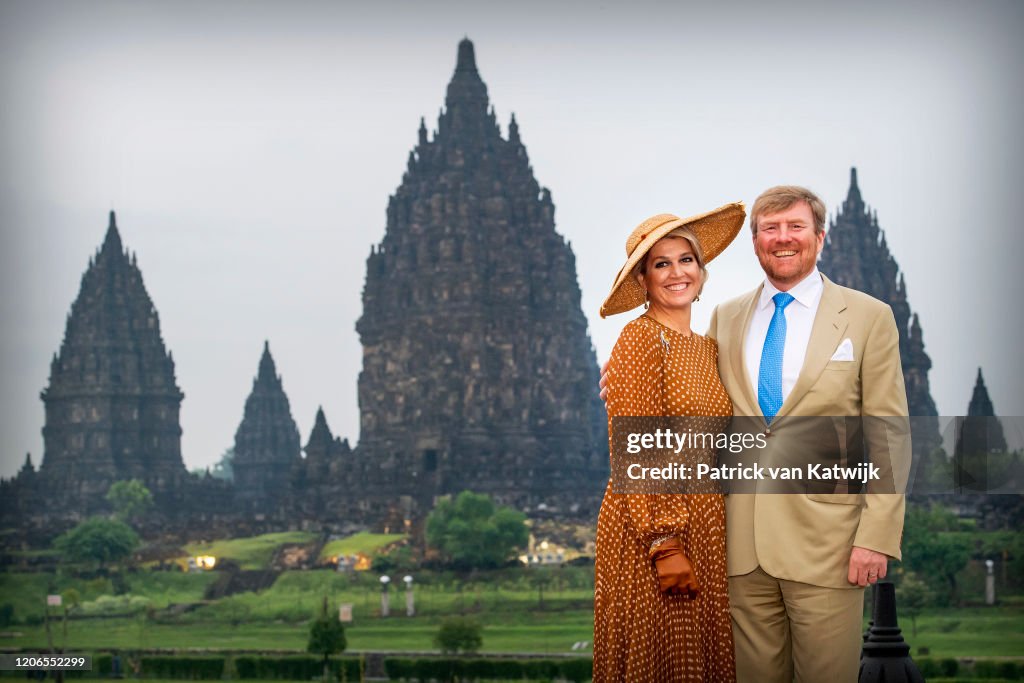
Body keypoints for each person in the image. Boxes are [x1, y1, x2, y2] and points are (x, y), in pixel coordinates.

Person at [706, 185, 910, 682]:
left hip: (829, 545)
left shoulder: (867, 316)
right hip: (742, 544)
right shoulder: (726, 317)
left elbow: (888, 434)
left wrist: (876, 537)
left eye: (795, 227)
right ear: (755, 242)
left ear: (821, 237)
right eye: (769, 229)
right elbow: (705, 410)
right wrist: (629, 379)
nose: (783, 239)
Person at [593, 204, 746, 683]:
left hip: (705, 520)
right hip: (652, 526)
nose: (677, 273)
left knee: (700, 655)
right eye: (661, 263)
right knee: (659, 651)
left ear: (702, 271)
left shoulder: (708, 348)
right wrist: (663, 539)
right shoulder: (640, 340)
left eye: (686, 260)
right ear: (643, 279)